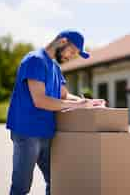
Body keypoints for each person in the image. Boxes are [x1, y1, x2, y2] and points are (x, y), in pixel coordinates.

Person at [6, 30, 104, 195]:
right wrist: (80, 106)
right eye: (71, 52)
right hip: (27, 132)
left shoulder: (55, 68)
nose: (71, 57)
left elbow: (64, 95)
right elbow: (40, 100)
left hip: (47, 132)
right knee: (21, 187)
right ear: (62, 41)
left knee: (57, 180)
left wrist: (88, 102)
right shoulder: (35, 60)